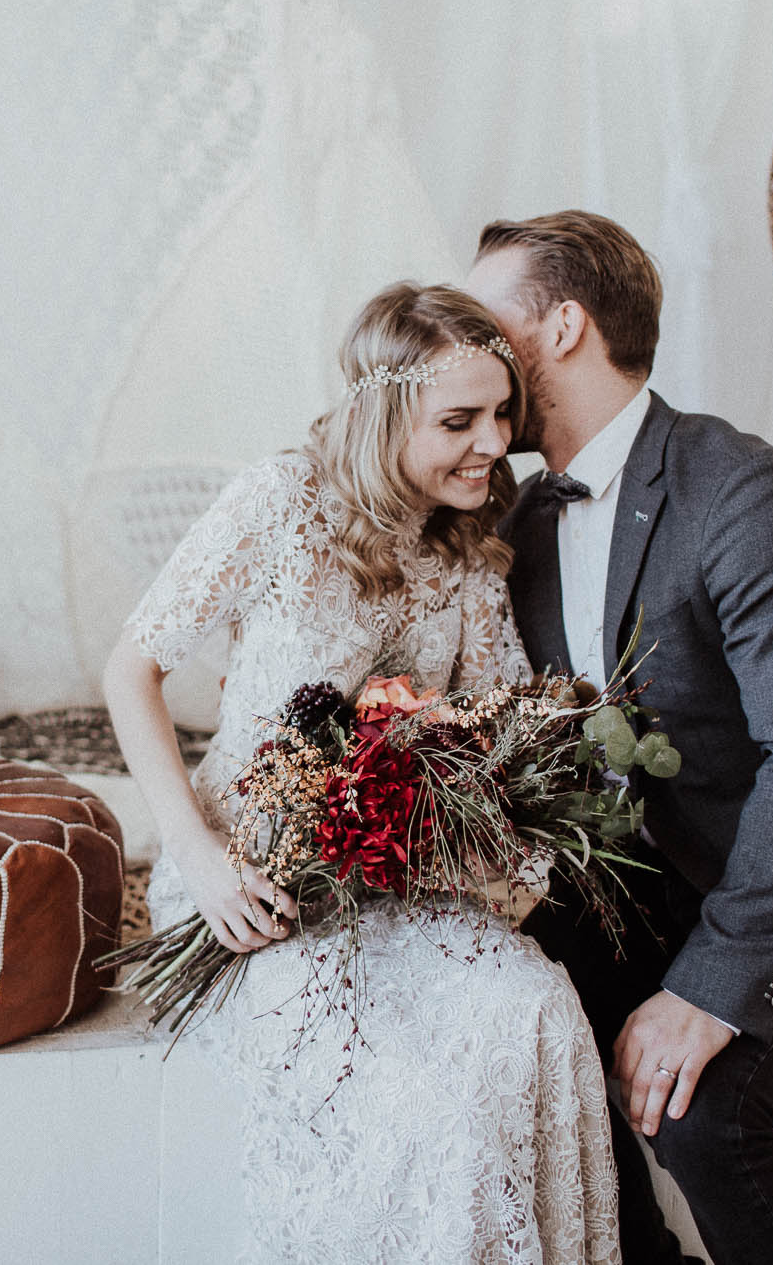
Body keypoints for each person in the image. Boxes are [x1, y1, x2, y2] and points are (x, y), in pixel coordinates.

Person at [466, 210, 773, 1265]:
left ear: (560, 326)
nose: (464, 346)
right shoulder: (514, 521)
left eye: (485, 319)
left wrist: (709, 988)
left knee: (699, 1116)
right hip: (644, 877)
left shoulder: (751, 496)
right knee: (515, 1042)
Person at [103, 282, 620, 1264]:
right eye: (458, 420)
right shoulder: (278, 501)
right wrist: (198, 854)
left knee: (536, 1008)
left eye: (501, 413)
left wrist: (485, 804)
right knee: (424, 1120)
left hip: (394, 866)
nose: (490, 441)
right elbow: (130, 670)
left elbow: (493, 722)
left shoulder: (468, 540)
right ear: (383, 415)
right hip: (251, 875)